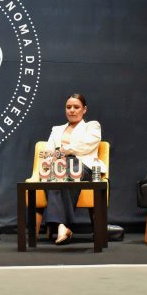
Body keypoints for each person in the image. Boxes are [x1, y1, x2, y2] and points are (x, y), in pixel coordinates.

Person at [38, 93, 101, 245]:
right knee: (55, 173)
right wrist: (52, 157)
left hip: (83, 166)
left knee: (61, 171)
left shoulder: (91, 126)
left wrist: (62, 152)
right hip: (59, 167)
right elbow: (48, 151)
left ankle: (59, 224)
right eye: (68, 107)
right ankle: (62, 226)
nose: (72, 110)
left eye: (76, 107)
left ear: (84, 109)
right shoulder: (57, 129)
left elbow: (85, 146)